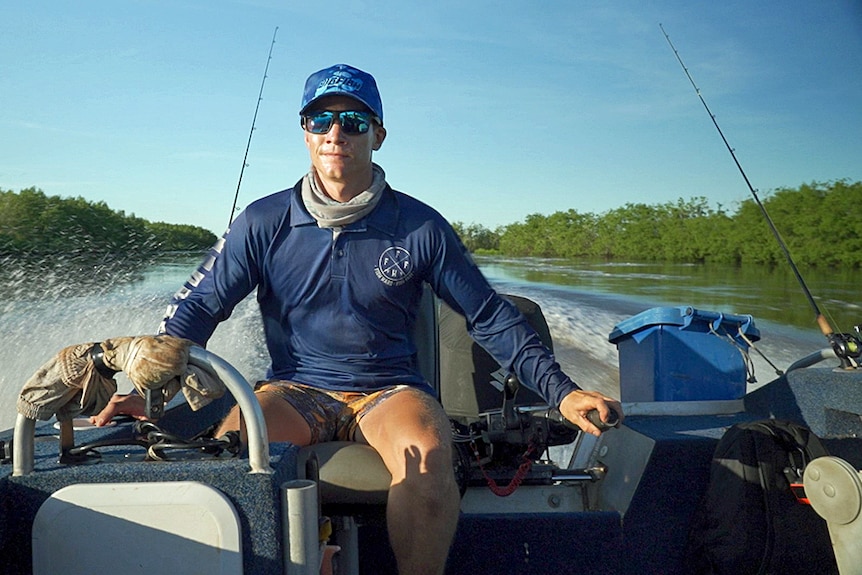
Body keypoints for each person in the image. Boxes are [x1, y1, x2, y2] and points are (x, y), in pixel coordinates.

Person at [93, 63, 623, 575]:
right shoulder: (263, 220)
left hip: (390, 390)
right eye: (321, 120)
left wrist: (563, 393)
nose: (335, 133)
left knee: (428, 454)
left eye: (353, 121)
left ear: (378, 135)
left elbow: (489, 317)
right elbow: (201, 306)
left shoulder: (421, 226)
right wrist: (148, 386)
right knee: (233, 455)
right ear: (305, 133)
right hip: (296, 388)